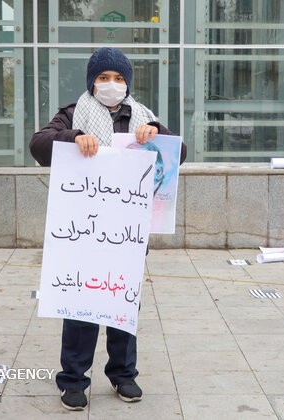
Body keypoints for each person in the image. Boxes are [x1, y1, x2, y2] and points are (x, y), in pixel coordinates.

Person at [29, 47, 186, 411]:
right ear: (91, 81)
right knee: (81, 308)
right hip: (83, 234)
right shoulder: (71, 114)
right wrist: (72, 138)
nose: (111, 85)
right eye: (103, 78)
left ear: (127, 82)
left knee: (123, 308)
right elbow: (39, 144)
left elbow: (180, 152)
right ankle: (73, 380)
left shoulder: (143, 116)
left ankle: (123, 375)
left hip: (127, 238)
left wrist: (158, 133)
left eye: (118, 78)